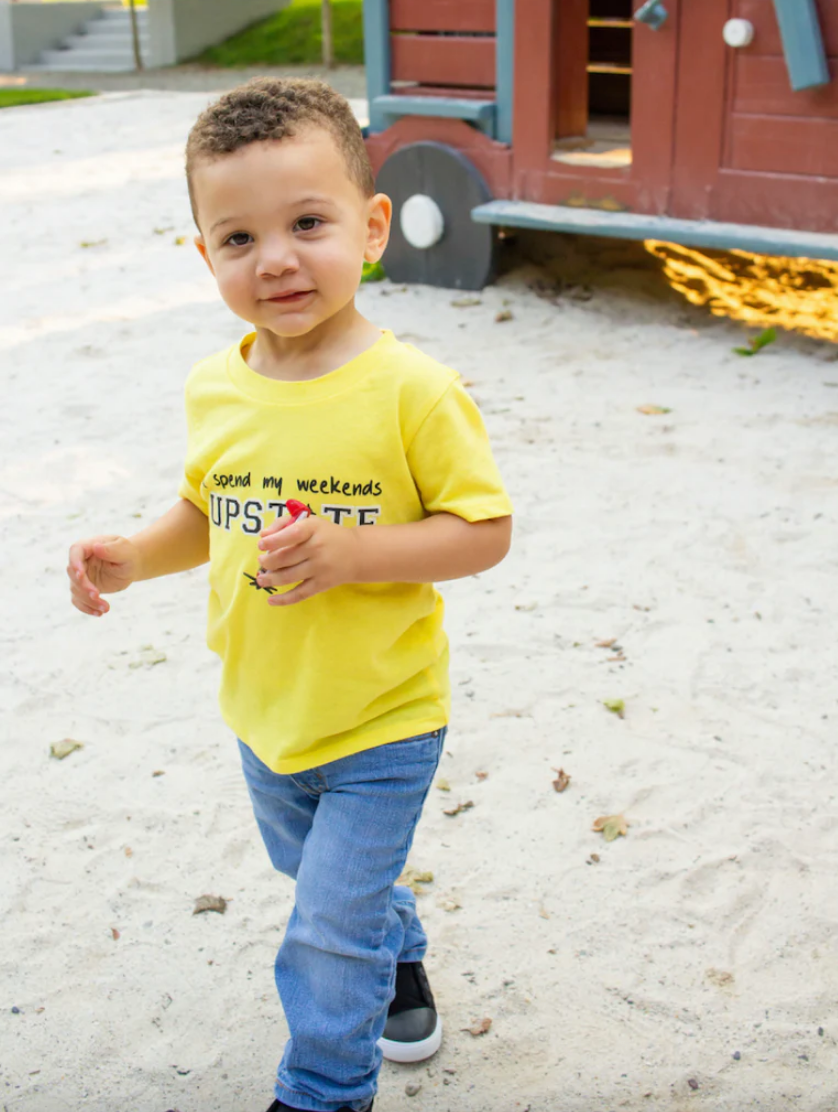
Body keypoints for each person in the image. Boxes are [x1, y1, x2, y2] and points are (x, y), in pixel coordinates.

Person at [66, 77, 513, 1112]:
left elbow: (483, 532)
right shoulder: (216, 384)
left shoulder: (412, 390)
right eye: (237, 238)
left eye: (307, 223)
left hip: (383, 713)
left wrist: (352, 554)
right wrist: (135, 555)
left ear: (368, 228)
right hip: (264, 709)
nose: (274, 258)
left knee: (323, 923)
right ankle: (399, 959)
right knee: (320, 882)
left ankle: (322, 1088)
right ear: (205, 255)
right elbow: (205, 509)